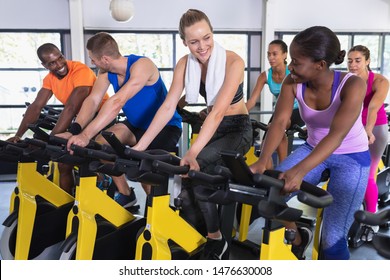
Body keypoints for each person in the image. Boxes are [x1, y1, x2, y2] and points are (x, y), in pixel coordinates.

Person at [133, 9, 252, 260]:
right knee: (184, 178)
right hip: (212, 127)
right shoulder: (185, 64)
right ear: (184, 41)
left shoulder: (234, 62)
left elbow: (218, 111)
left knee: (198, 174)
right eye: (194, 41)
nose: (202, 46)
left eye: (206, 38)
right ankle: (193, 236)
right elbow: (168, 106)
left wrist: (192, 151)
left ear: (213, 33)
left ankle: (217, 240)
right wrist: (140, 146)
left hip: (236, 129)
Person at [250, 26, 370, 260]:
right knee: (271, 195)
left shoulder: (353, 85)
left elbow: (336, 137)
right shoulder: (291, 81)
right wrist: (263, 160)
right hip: (312, 147)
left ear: (320, 65)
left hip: (352, 157)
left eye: (296, 61)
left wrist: (298, 171)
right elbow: (280, 121)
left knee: (332, 241)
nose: (290, 66)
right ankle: (297, 237)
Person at [65, 32, 182, 208]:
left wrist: (86, 135)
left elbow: (118, 101)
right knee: (101, 144)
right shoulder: (104, 72)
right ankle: (126, 194)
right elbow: (93, 100)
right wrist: (76, 130)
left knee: (146, 175)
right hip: (135, 125)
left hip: (164, 127)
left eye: (93, 59)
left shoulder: (142, 65)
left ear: (104, 59)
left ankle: (161, 214)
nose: (92, 63)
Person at [7, 43, 109, 194]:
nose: (59, 64)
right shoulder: (49, 79)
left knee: (80, 156)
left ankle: (103, 180)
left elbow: (71, 106)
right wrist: (18, 135)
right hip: (80, 119)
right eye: (52, 63)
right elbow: (36, 106)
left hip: (101, 117)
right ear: (44, 65)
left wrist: (51, 139)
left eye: (60, 58)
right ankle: (66, 205)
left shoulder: (80, 70)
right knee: (63, 165)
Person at [348, 45, 389, 241]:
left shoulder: (380, 81)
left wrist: (368, 130)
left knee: (368, 175)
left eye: (357, 60)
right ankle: (351, 212)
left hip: (375, 130)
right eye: (350, 60)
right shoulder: (347, 79)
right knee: (349, 172)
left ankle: (370, 221)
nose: (353, 64)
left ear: (367, 61)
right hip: (353, 129)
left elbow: (373, 107)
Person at [246, 40, 304, 169]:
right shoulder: (265, 76)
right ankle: (270, 175)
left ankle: (283, 168)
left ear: (284, 55)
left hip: (298, 110)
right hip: (282, 110)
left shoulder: (293, 73)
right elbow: (252, 101)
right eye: (269, 54)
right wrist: (238, 113)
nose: (270, 58)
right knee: (264, 146)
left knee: (277, 126)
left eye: (274, 54)